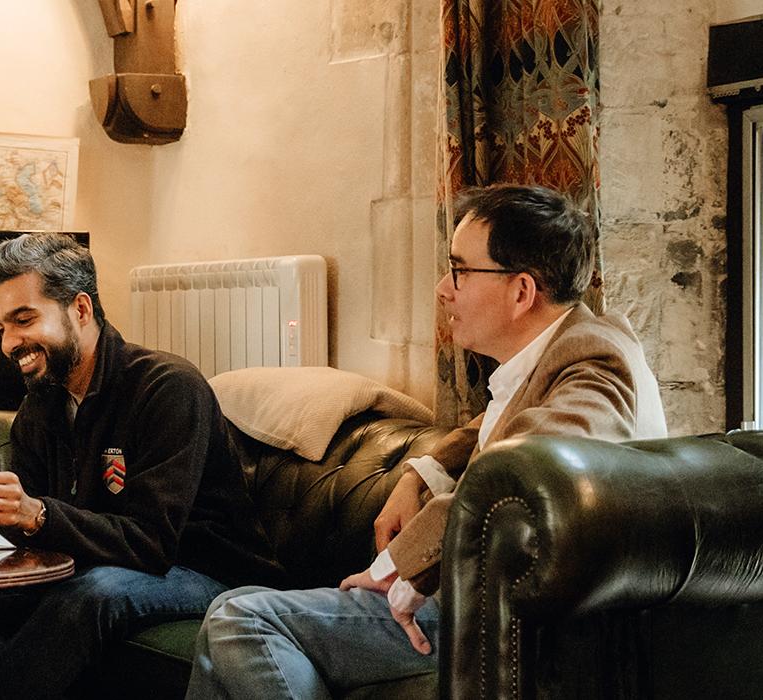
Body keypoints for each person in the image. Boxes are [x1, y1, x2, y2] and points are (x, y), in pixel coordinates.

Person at [184, 184, 668, 699]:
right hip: (482, 599)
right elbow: (496, 424)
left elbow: (533, 472)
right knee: (230, 607)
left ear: (522, 291)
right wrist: (420, 472)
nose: (443, 288)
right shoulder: (561, 353)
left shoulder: (594, 364)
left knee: (242, 619)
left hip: (513, 627)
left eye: (459, 270)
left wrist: (399, 567)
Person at [0, 233, 284, 699]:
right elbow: (34, 532)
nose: (10, 343)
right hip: (100, 566)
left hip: (205, 570)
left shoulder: (168, 388)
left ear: (81, 309)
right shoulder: (41, 405)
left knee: (93, 592)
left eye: (24, 320)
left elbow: (152, 543)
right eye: (0, 328)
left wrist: (38, 514)